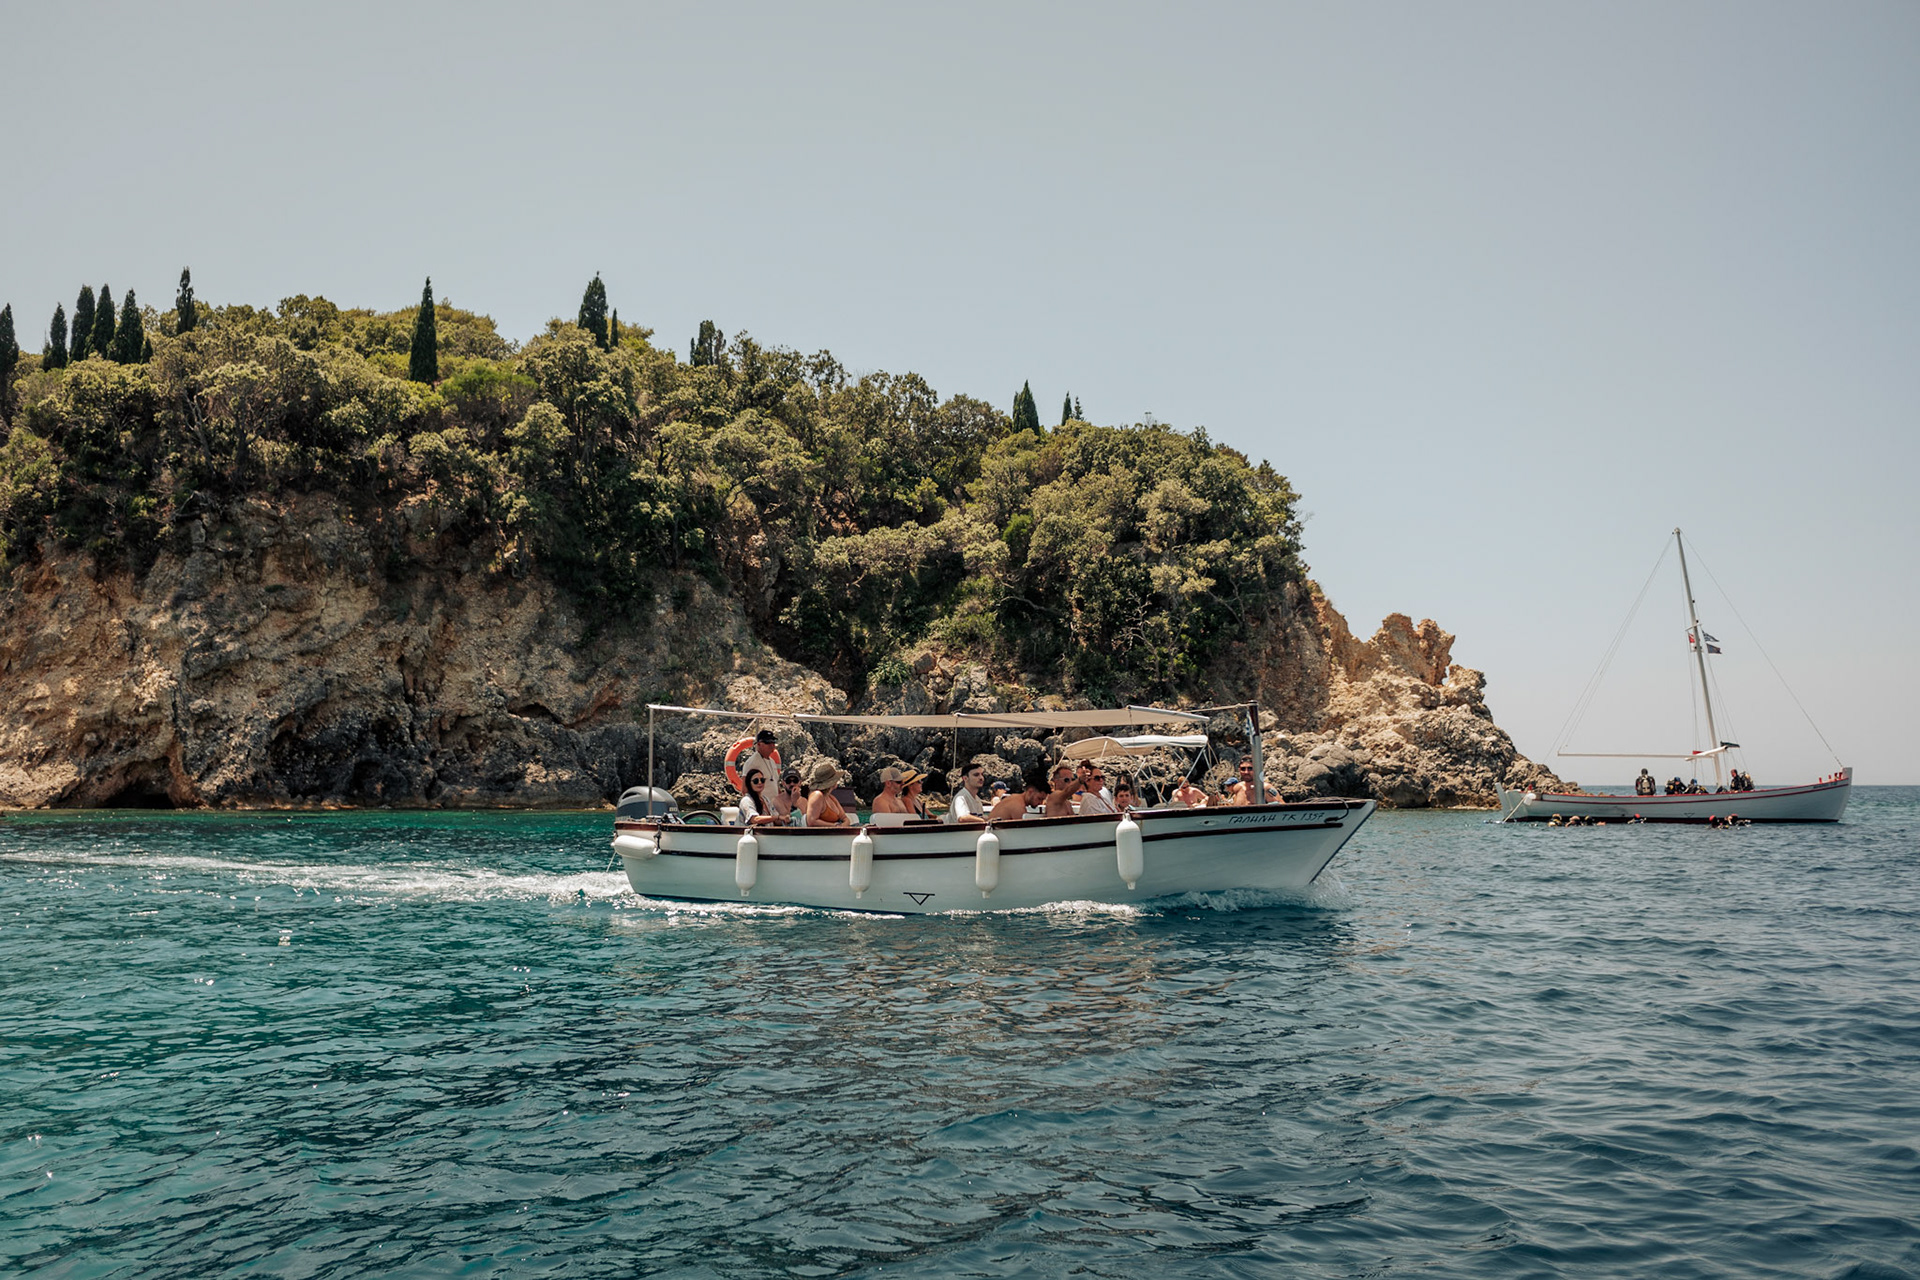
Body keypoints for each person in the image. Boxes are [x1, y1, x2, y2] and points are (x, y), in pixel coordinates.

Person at [734, 729, 781, 797]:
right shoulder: (752, 762)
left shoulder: (772, 762)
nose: (771, 745)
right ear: (759, 744)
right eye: (767, 742)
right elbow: (745, 790)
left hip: (774, 806)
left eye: (773, 741)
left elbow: (775, 785)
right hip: (761, 806)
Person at [804, 760, 852, 826]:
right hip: (825, 834)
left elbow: (845, 818)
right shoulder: (817, 795)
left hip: (837, 833)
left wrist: (843, 826)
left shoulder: (832, 798)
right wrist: (835, 826)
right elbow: (812, 821)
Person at [949, 759, 989, 824]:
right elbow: (962, 818)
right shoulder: (960, 798)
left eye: (982, 774)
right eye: (976, 775)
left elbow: (979, 817)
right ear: (965, 778)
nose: (981, 778)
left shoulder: (977, 799)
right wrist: (984, 821)